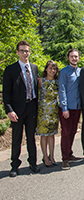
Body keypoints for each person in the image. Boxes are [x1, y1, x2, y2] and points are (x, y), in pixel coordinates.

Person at [3, 40, 40, 177]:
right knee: (16, 139)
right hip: (17, 110)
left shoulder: (34, 68)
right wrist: (9, 110)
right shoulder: (10, 69)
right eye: (22, 50)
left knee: (31, 138)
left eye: (27, 50)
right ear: (18, 52)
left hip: (32, 108)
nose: (25, 53)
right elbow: (6, 93)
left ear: (30, 52)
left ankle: (33, 163)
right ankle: (14, 166)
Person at [59, 49, 83, 170]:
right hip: (67, 108)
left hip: (77, 107)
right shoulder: (64, 72)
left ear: (79, 58)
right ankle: (65, 159)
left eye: (76, 56)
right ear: (68, 58)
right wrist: (64, 108)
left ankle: (69, 153)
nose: (74, 58)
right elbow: (62, 90)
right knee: (66, 133)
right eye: (72, 56)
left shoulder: (80, 71)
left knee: (73, 131)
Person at [36, 60, 59, 167]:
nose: (52, 70)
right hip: (43, 111)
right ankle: (45, 156)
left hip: (54, 111)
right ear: (46, 69)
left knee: (52, 134)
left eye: (54, 69)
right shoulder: (41, 81)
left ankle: (52, 156)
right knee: (44, 135)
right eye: (50, 68)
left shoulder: (57, 81)